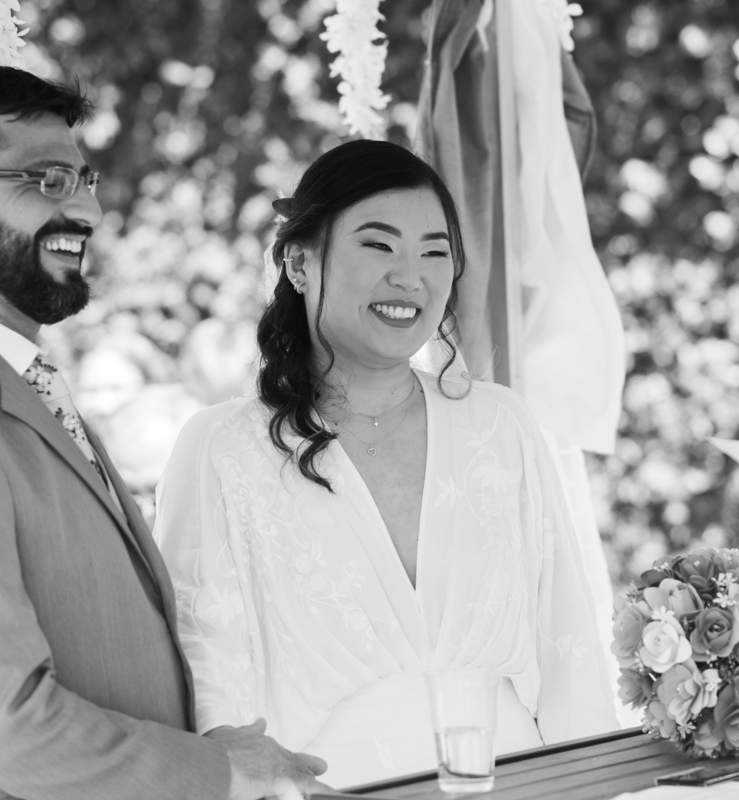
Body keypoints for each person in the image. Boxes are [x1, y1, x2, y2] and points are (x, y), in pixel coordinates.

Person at [0, 65, 326, 800]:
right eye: (48, 181)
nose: (87, 211)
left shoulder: (7, 372)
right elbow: (3, 730)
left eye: (85, 181)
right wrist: (214, 772)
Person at [154, 139, 618, 789]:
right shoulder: (223, 448)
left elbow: (570, 653)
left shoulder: (500, 425)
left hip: (515, 780)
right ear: (299, 262)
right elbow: (206, 680)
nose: (411, 277)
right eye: (378, 246)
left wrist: (597, 783)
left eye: (434, 251)